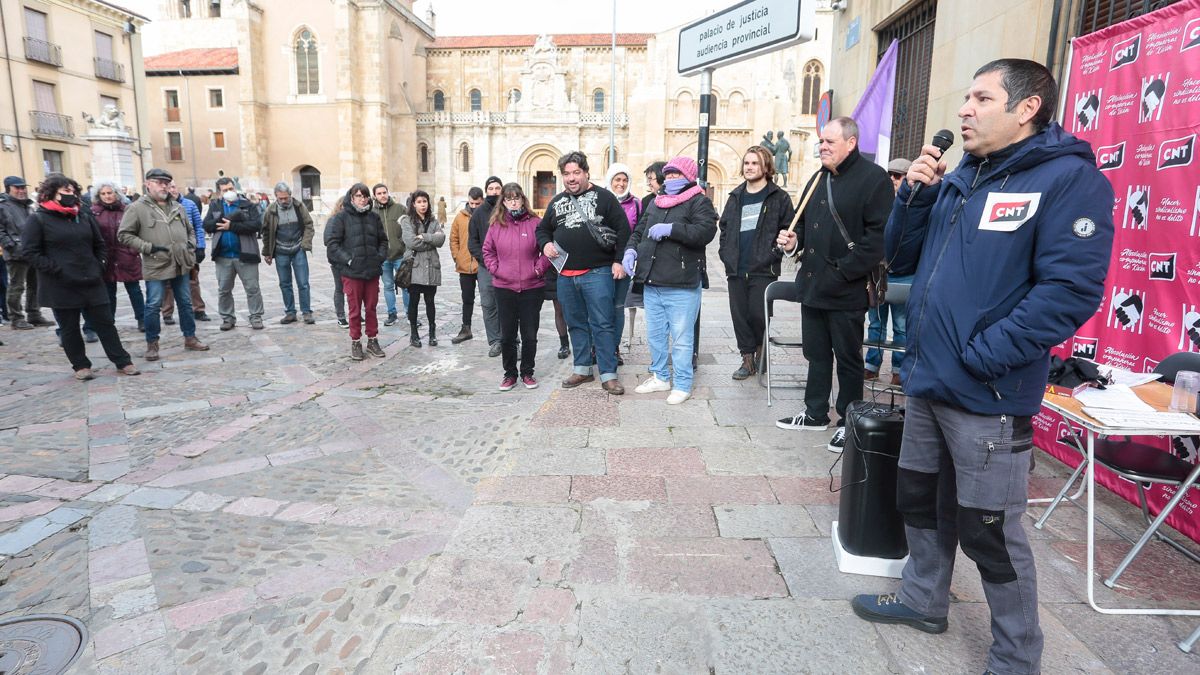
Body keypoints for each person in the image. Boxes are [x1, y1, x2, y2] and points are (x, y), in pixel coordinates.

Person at [850, 59, 1114, 675]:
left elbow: (1070, 292)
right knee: (918, 499)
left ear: (1027, 108)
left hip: (988, 393)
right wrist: (913, 198)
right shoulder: (964, 173)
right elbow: (902, 257)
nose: (963, 109)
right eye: (965, 97)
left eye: (981, 98)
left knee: (990, 531)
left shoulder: (1069, 181)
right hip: (926, 379)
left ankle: (1018, 657)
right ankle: (922, 599)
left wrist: (983, 356)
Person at [774, 116, 892, 452]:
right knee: (816, 354)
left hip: (846, 288)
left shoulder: (874, 179)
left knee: (848, 357)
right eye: (821, 142)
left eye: (830, 142)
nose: (822, 147)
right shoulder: (818, 178)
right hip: (812, 286)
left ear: (851, 143)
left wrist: (842, 272)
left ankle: (849, 419)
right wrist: (793, 242)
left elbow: (877, 239)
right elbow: (804, 229)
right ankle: (814, 413)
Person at [21, 174, 140, 379]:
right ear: (52, 194)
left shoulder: (83, 215)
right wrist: (55, 269)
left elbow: (99, 244)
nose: (71, 195)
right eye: (66, 191)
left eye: (73, 191)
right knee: (69, 327)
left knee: (105, 323)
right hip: (61, 283)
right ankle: (80, 366)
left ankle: (122, 361)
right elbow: (31, 252)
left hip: (91, 279)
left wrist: (99, 264)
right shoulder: (39, 218)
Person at [624, 156, 716, 404]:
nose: (672, 178)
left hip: (682, 282)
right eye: (670, 174)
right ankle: (660, 376)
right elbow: (640, 231)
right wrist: (630, 250)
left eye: (677, 174)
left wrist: (672, 229)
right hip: (652, 280)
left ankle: (683, 383)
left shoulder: (699, 201)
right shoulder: (656, 201)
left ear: (688, 176)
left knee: (682, 338)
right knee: (655, 335)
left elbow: (706, 231)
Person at [536, 151, 630, 395]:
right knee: (576, 324)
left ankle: (608, 375)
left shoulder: (605, 198)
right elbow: (542, 230)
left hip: (597, 273)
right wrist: (545, 243)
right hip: (566, 276)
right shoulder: (556, 202)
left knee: (602, 324)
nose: (571, 178)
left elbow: (623, 230)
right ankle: (583, 369)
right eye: (566, 174)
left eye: (576, 172)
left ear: (586, 173)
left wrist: (619, 261)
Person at [718, 146, 795, 380]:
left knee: (759, 314)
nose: (749, 167)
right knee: (740, 315)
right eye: (747, 163)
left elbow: (789, 228)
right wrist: (726, 253)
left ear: (766, 167)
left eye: (755, 163)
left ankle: (761, 353)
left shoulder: (779, 197)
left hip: (764, 269)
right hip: (737, 268)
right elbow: (725, 227)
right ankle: (747, 360)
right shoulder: (735, 196)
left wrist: (774, 252)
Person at [118, 168, 209, 361]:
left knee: (185, 302)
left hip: (181, 263)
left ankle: (190, 337)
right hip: (156, 265)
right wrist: (148, 247)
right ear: (148, 184)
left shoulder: (178, 207)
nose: (164, 186)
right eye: (159, 182)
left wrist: (190, 245)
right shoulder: (137, 208)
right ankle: (152, 344)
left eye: (166, 182)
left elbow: (190, 229)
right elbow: (124, 235)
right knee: (152, 305)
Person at [483, 183, 548, 390]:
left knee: (529, 334)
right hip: (504, 287)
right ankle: (509, 374)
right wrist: (496, 269)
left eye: (516, 197)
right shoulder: (496, 225)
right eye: (509, 198)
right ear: (503, 201)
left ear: (523, 199)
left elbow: (547, 250)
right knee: (508, 335)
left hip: (531, 287)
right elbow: (487, 251)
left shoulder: (536, 223)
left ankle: (527, 372)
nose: (513, 202)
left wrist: (537, 270)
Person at [865, 157, 914, 386]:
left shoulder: (914, 204)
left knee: (901, 326)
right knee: (876, 323)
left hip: (904, 271)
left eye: (898, 175)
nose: (892, 180)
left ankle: (898, 370)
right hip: (878, 270)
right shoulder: (878, 201)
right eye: (890, 175)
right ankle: (871, 366)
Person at [325, 183, 387, 360]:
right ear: (351, 198)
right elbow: (333, 245)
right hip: (352, 273)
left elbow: (383, 241)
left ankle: (373, 340)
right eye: (358, 196)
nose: (362, 199)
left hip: (371, 271)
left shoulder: (374, 218)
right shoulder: (341, 218)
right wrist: (348, 259)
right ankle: (356, 342)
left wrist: (379, 256)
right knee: (354, 310)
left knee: (371, 308)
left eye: (365, 196)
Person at [203, 177, 265, 331]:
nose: (229, 192)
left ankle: (256, 317)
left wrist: (232, 226)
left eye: (231, 188)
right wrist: (220, 222)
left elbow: (256, 225)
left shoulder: (247, 205)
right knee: (224, 289)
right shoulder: (215, 206)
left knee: (252, 288)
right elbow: (207, 225)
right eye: (225, 190)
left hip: (245, 254)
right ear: (219, 192)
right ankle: (227, 318)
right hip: (223, 256)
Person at [0, 175, 53, 329]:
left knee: (34, 284)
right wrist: (10, 245)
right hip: (16, 252)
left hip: (32, 251)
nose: (22, 190)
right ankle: (16, 318)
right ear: (8, 188)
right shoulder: (3, 206)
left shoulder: (28, 205)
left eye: (23, 187)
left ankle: (34, 314)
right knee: (17, 286)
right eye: (18, 187)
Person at [91, 182, 145, 330]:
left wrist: (134, 250)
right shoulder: (94, 212)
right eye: (103, 194)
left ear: (116, 193)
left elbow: (138, 230)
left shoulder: (127, 210)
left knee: (134, 290)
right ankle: (109, 322)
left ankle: (142, 319)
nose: (107, 196)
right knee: (109, 292)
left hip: (126, 255)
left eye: (110, 193)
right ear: (99, 196)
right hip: (106, 257)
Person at [604, 162, 642, 366]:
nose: (621, 183)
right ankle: (598, 347)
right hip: (600, 263)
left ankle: (614, 348)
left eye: (624, 180)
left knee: (618, 307)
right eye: (617, 179)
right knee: (599, 308)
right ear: (610, 180)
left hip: (624, 264)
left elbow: (638, 232)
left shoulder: (636, 203)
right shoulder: (600, 200)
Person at [261, 181, 315, 324]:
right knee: (285, 283)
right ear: (276, 197)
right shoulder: (271, 211)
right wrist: (267, 252)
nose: (284, 201)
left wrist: (305, 244)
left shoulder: (299, 206)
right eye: (281, 198)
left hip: (298, 249)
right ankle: (290, 312)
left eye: (286, 198)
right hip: (280, 252)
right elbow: (266, 232)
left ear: (290, 195)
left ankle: (306, 312)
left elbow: (309, 224)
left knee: (303, 283)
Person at [401, 189, 446, 347]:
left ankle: (432, 333)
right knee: (413, 301)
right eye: (419, 202)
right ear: (413, 204)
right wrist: (430, 241)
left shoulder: (433, 221)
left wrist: (425, 237)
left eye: (424, 202)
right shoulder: (407, 221)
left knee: (430, 302)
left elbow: (441, 239)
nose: (422, 205)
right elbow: (411, 242)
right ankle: (414, 334)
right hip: (414, 266)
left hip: (431, 267)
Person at [162, 181, 210, 324]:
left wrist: (200, 247)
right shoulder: (161, 206)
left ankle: (198, 310)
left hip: (189, 250)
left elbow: (198, 226)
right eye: (169, 188)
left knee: (193, 281)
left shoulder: (189, 204)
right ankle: (167, 312)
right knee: (168, 283)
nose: (172, 190)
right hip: (169, 251)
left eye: (174, 187)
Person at [468, 176, 505, 357]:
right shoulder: (478, 213)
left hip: (507, 266)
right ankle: (495, 341)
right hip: (486, 267)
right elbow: (472, 242)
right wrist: (486, 260)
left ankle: (511, 340)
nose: (494, 192)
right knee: (489, 304)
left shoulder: (507, 209)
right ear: (486, 191)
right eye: (491, 189)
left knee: (508, 304)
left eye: (498, 188)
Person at [449, 186, 483, 343]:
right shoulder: (460, 217)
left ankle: (498, 333)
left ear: (482, 201)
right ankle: (466, 328)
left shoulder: (487, 216)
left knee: (490, 300)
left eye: (477, 203)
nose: (474, 206)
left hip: (483, 265)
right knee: (467, 299)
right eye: (472, 203)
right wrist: (457, 257)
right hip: (465, 266)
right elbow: (453, 238)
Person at [373, 183, 409, 327]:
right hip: (383, 258)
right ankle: (391, 314)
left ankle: (409, 313)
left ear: (388, 193)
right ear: (375, 196)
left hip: (400, 255)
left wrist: (404, 246)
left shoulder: (400, 209)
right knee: (388, 286)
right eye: (379, 193)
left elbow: (408, 228)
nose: (383, 196)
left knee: (406, 286)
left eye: (384, 192)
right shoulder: (372, 212)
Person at [328, 197, 349, 327]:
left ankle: (356, 313)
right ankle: (340, 315)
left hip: (351, 260)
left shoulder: (352, 220)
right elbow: (328, 240)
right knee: (340, 288)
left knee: (353, 289)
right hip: (337, 260)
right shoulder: (333, 220)